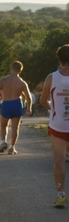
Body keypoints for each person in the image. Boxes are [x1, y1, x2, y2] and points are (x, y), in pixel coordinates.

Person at [40, 44, 69, 208]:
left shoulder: (52, 77)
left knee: (59, 160)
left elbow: (43, 100)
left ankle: (61, 195)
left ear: (59, 59)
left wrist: (52, 108)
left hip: (59, 124)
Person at [0, 61, 32, 155]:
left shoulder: (4, 80)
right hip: (17, 104)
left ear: (11, 68)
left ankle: (3, 142)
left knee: (3, 125)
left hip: (6, 104)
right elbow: (28, 97)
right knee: (15, 128)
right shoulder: (22, 82)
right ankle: (12, 148)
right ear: (20, 71)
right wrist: (29, 108)